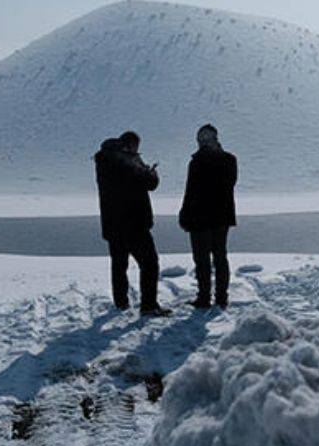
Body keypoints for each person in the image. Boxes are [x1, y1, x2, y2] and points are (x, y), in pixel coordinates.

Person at [94, 131, 172, 317]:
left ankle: (121, 303)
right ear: (130, 145)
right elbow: (149, 183)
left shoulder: (105, 161)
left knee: (119, 265)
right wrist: (150, 172)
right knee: (150, 264)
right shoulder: (127, 162)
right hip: (134, 223)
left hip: (113, 224)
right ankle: (148, 305)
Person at [178, 124, 237, 309]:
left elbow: (193, 191)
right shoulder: (226, 160)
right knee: (213, 258)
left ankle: (212, 298)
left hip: (204, 217)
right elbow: (191, 191)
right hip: (214, 217)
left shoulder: (214, 160)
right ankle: (213, 298)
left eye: (205, 138)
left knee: (211, 258)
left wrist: (185, 214)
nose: (202, 141)